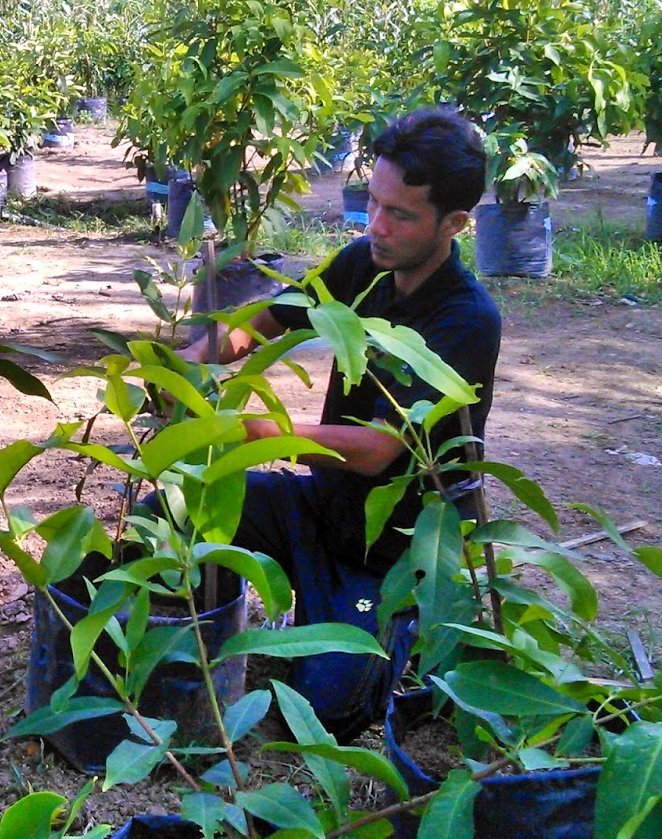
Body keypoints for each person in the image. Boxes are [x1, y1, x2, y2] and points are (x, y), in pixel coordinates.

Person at [179, 107, 501, 739]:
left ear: (455, 223)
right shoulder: (363, 265)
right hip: (321, 512)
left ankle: (382, 634)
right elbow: (269, 322)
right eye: (374, 202)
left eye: (400, 214)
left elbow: (379, 450)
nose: (375, 225)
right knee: (186, 503)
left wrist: (248, 434)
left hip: (390, 555)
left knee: (326, 716)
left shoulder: (466, 320)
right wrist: (188, 362)